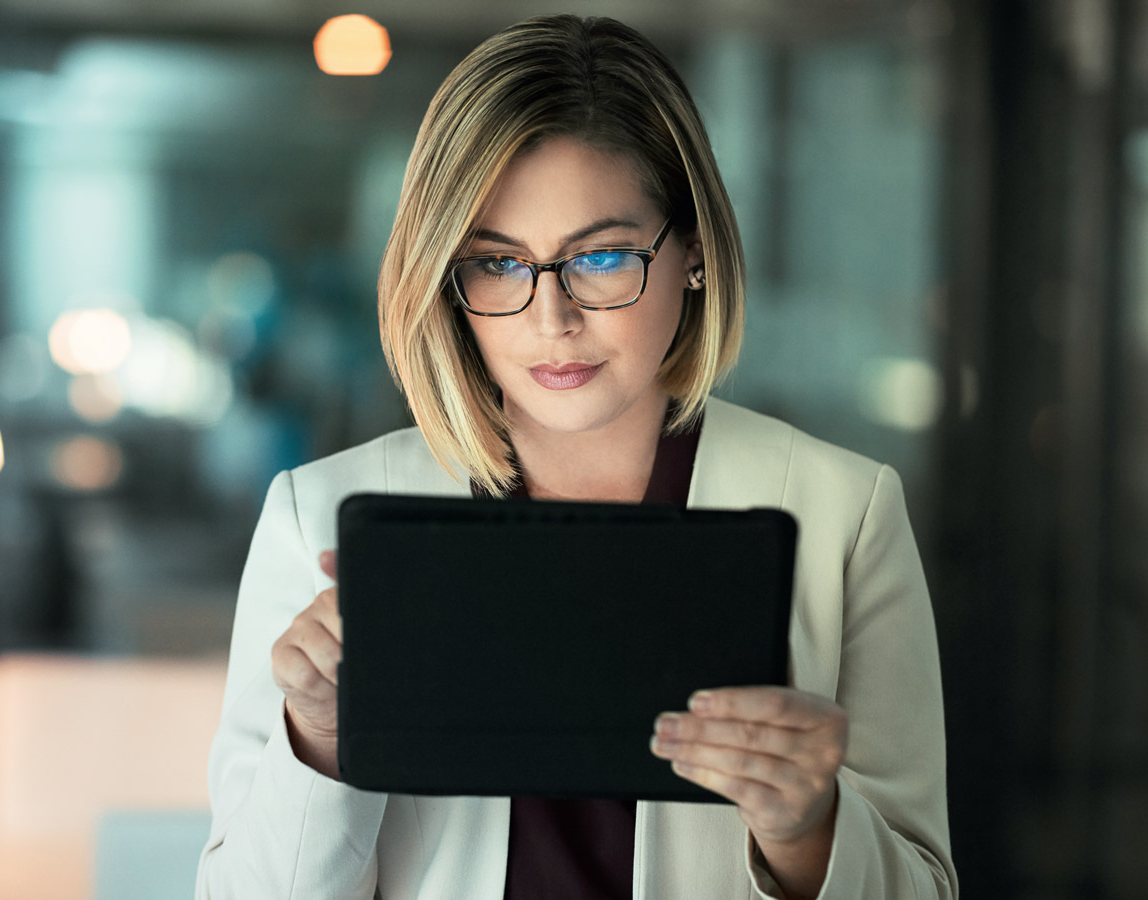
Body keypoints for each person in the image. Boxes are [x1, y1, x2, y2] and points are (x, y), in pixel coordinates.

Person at [195, 13, 956, 900]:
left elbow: (925, 885)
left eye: (599, 257)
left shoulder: (844, 515)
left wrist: (807, 831)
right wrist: (319, 738)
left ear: (696, 251)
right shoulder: (315, 515)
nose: (550, 319)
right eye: (496, 264)